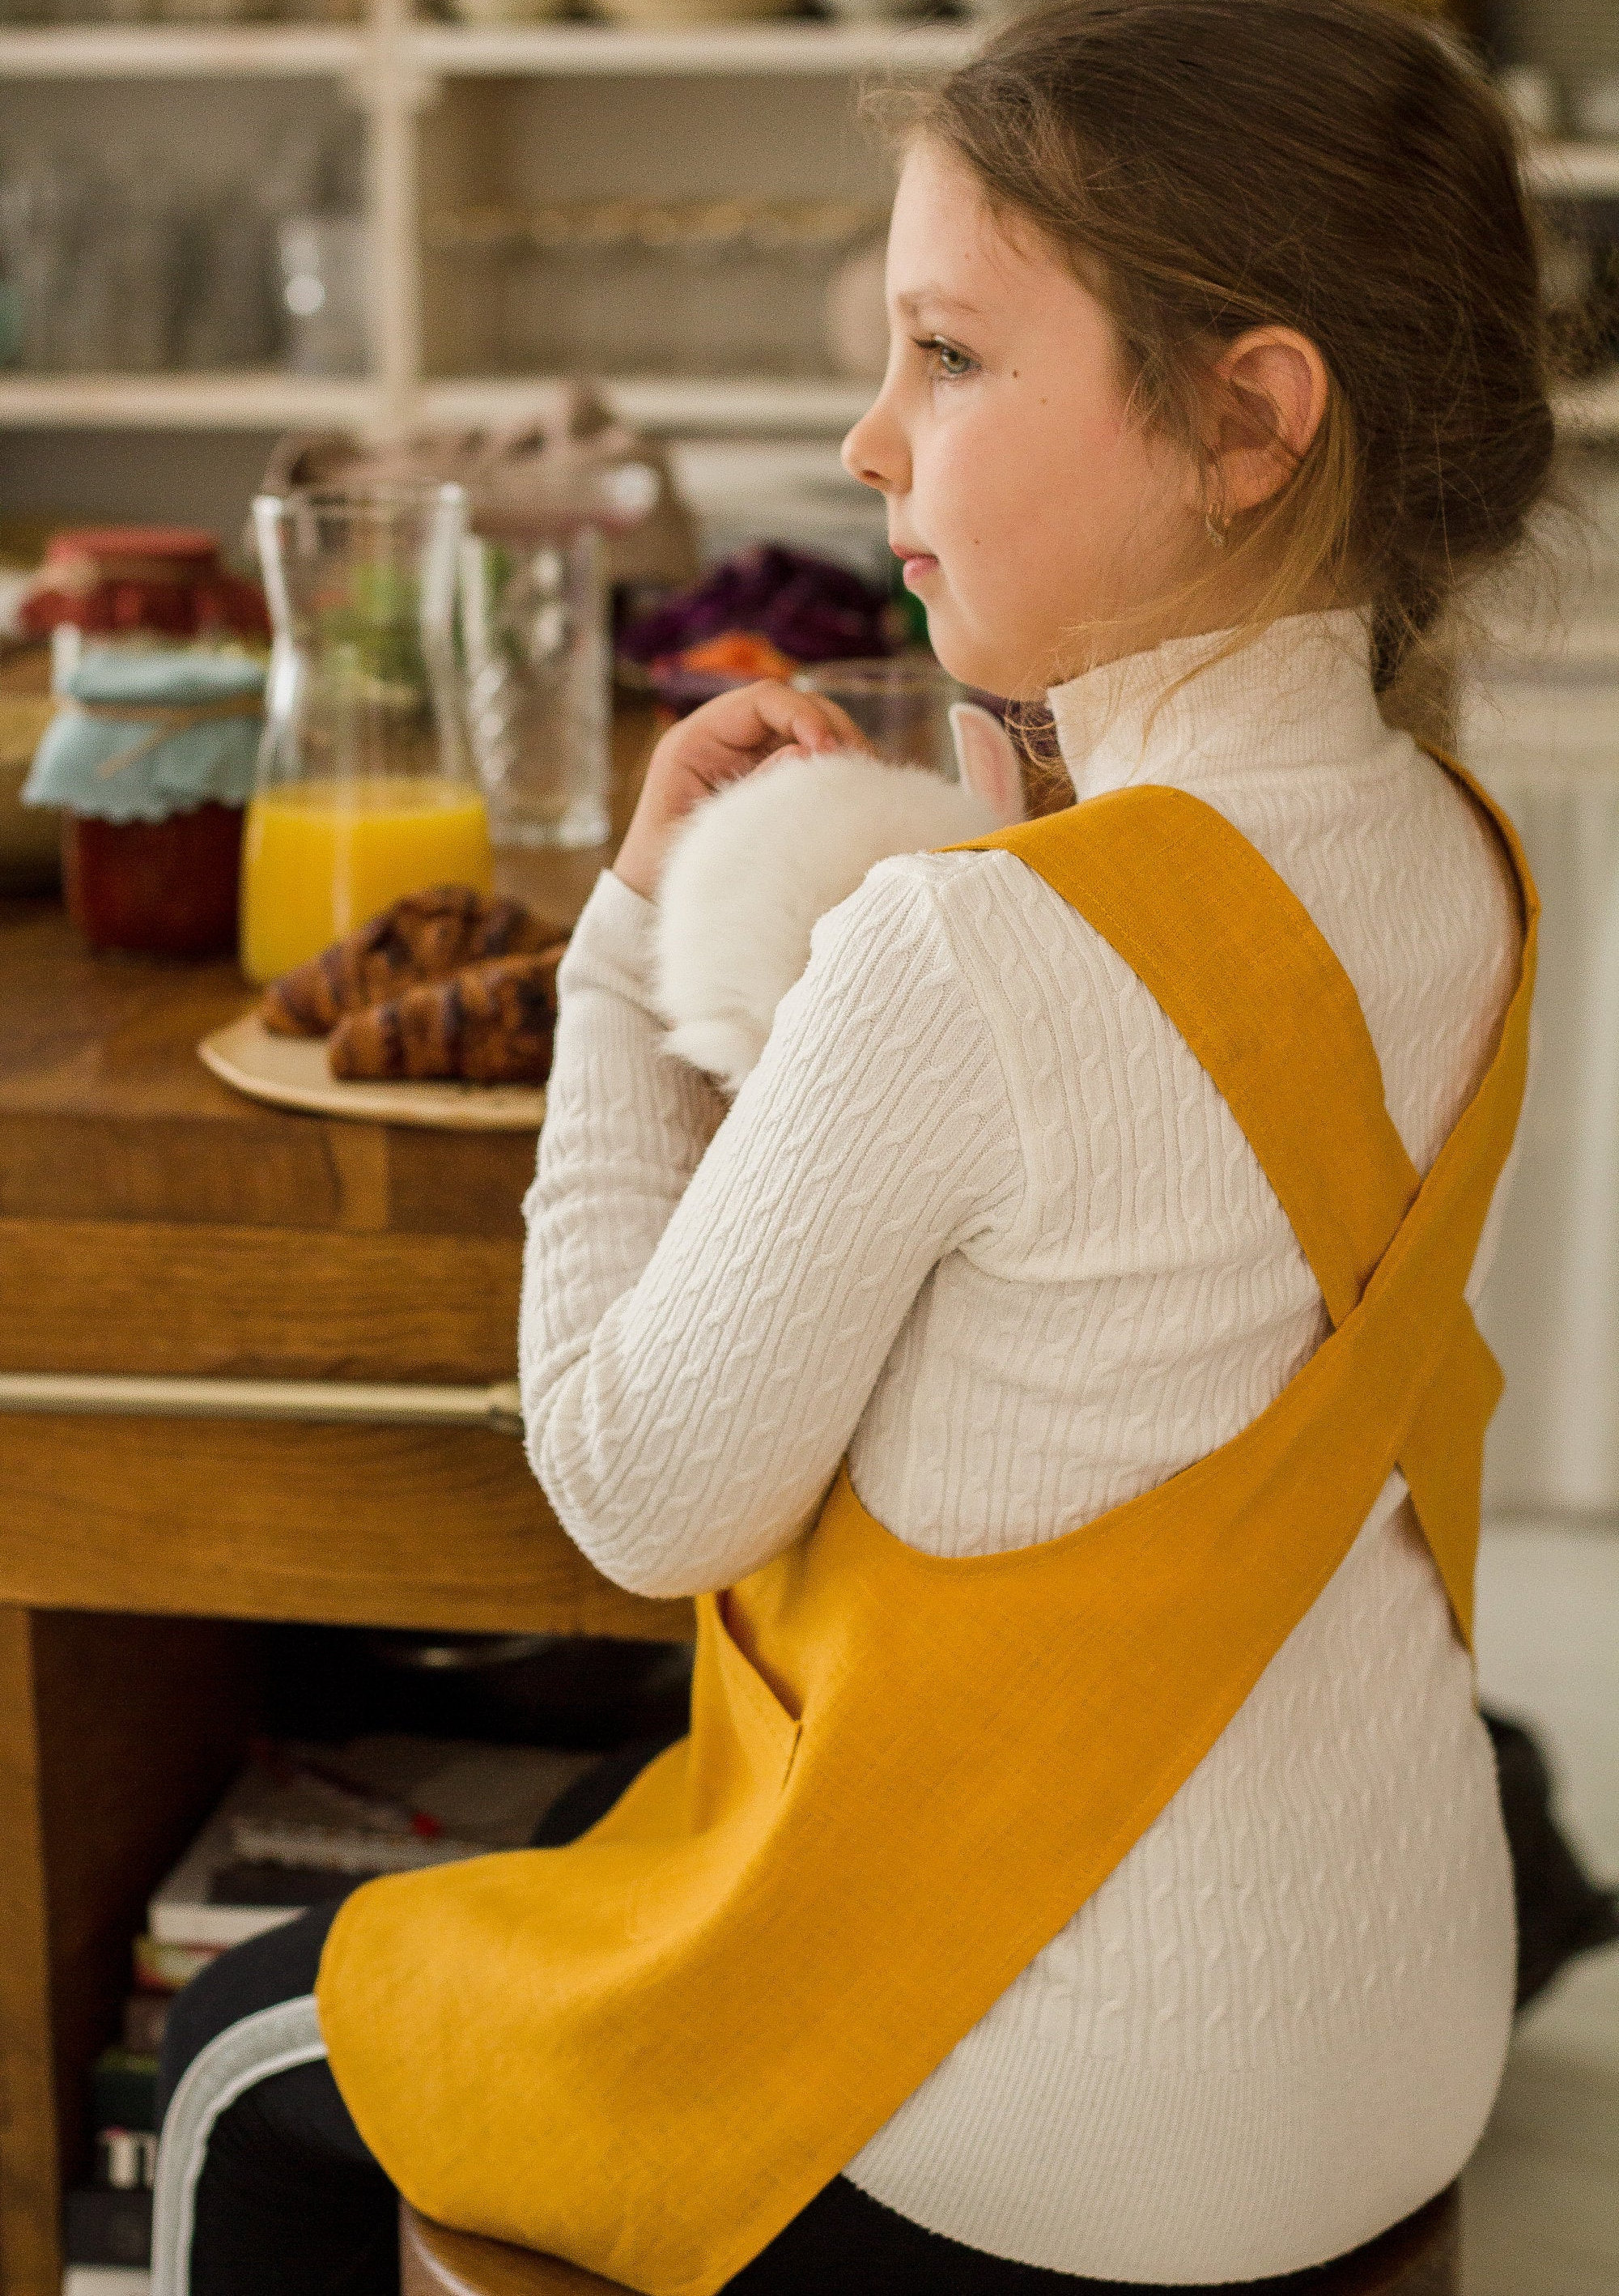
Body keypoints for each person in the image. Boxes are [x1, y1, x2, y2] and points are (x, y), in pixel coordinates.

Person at [153, 3, 1555, 2290]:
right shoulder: (1469, 854)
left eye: (952, 357)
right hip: (1388, 2036)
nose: (866, 434)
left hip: (1062, 2132)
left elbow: (638, 1490)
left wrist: (621, 943)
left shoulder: (963, 958)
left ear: (1253, 417)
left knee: (234, 2056)